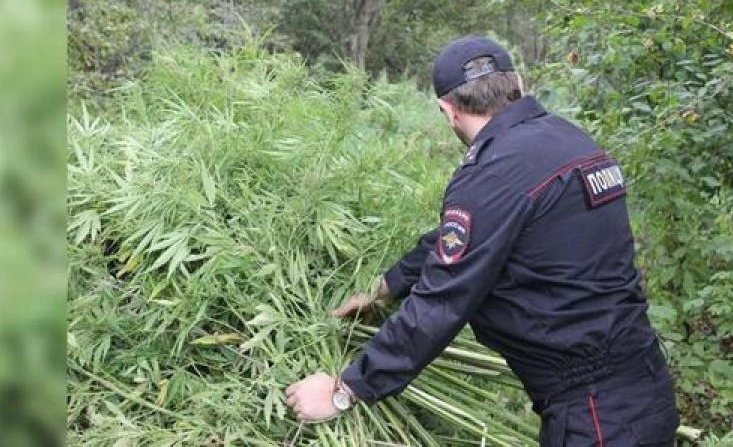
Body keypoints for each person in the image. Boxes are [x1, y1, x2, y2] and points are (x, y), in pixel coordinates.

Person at [286, 35, 680, 446]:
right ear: (518, 84)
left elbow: (441, 302)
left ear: (447, 110)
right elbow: (471, 236)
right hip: (643, 384)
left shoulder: (493, 172)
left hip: (595, 415)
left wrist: (344, 391)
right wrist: (384, 288)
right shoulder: (569, 140)